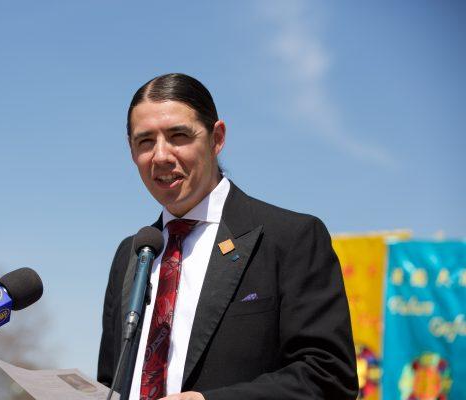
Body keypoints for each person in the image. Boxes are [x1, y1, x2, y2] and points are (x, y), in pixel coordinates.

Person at [97, 73, 358, 400]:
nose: (161, 155)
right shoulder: (132, 254)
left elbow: (329, 377)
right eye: (145, 141)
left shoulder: (291, 238)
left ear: (216, 138)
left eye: (178, 136)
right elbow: (110, 380)